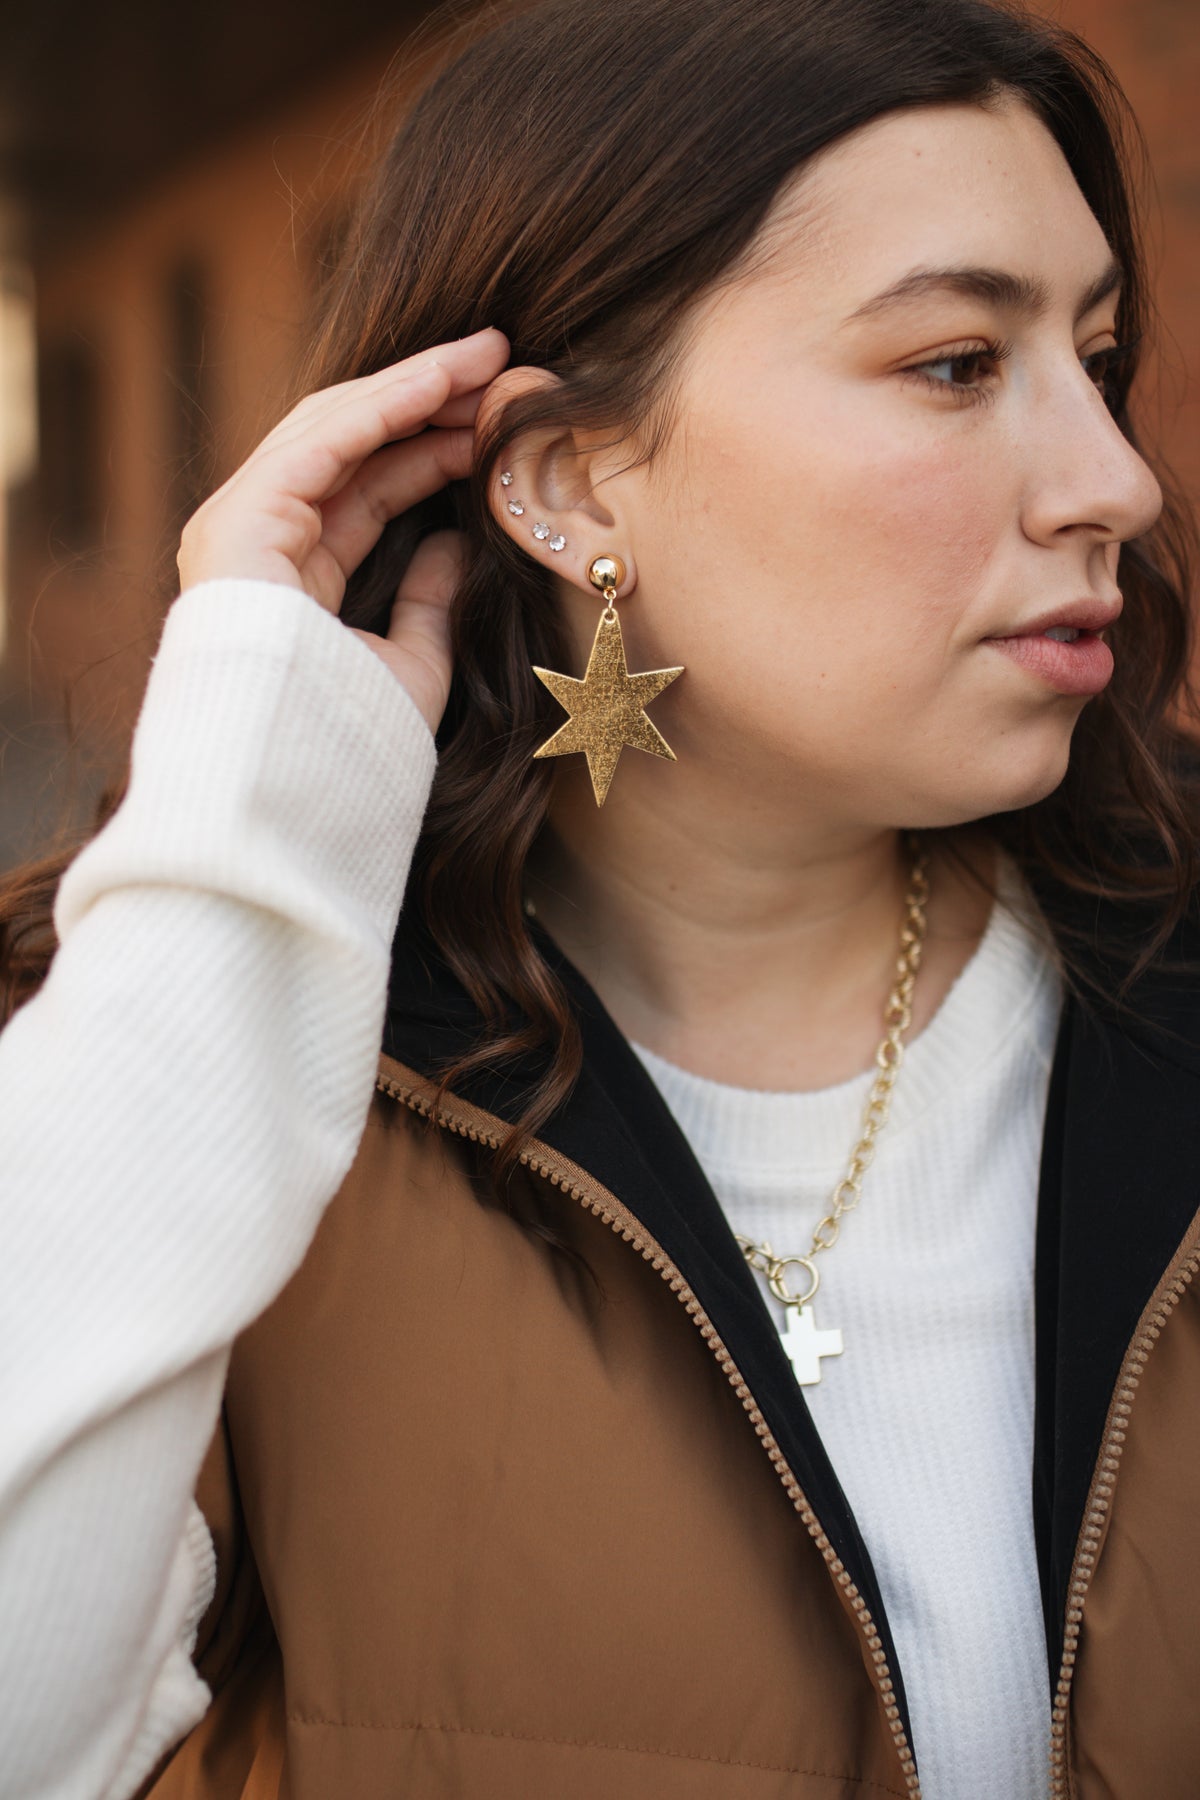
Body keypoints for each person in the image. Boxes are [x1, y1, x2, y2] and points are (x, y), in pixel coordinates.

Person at [1, 0, 1198, 1795]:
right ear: (569, 482)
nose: (1118, 480)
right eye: (958, 362)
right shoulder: (192, 1069)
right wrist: (247, 814)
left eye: (1094, 359)